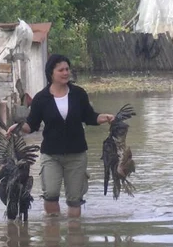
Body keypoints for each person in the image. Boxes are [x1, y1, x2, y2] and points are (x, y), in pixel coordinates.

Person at [7, 54, 114, 218]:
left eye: (67, 69)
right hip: (51, 155)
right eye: (61, 70)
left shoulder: (78, 94)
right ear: (51, 73)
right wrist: (18, 127)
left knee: (74, 199)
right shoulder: (41, 98)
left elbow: (90, 117)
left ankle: (74, 236)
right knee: (50, 194)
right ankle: (52, 236)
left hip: (77, 155)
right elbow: (32, 125)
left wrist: (105, 118)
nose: (66, 73)